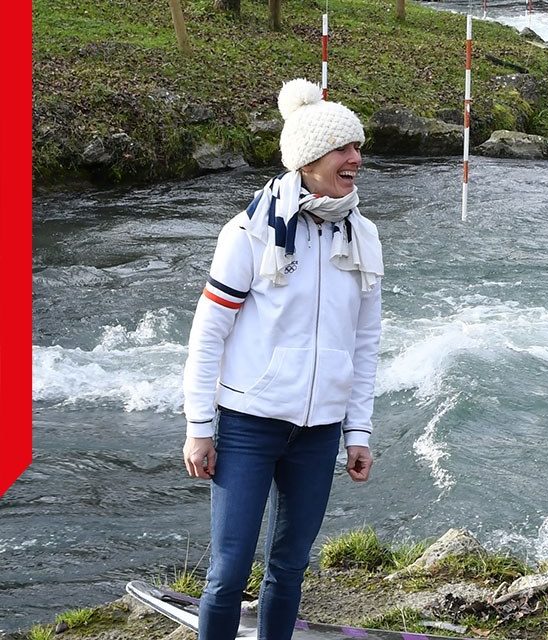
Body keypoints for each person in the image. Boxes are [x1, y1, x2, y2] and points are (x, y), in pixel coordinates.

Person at [180, 78, 384, 640]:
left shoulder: (364, 235)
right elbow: (208, 334)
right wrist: (201, 427)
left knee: (290, 568)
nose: (356, 159)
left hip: (319, 432)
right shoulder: (248, 231)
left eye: (357, 147)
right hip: (248, 424)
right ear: (308, 158)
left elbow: (366, 342)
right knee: (226, 574)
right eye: (344, 148)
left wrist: (358, 432)